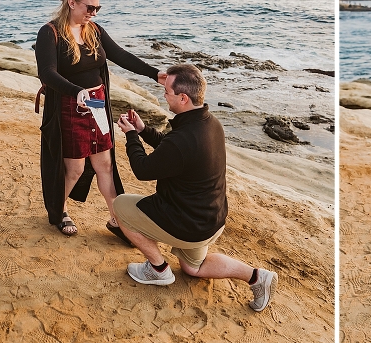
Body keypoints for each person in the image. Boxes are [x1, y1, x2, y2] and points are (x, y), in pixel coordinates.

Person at [113, 64, 278, 312]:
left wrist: (131, 137)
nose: (163, 95)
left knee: (120, 206)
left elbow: (143, 169)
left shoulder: (184, 137)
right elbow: (172, 151)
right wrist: (143, 130)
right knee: (193, 268)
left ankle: (158, 269)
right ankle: (257, 277)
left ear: (183, 97)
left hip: (187, 222)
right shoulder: (210, 124)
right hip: (211, 219)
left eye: (167, 91)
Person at [35, 0, 166, 240]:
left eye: (98, 8)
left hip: (98, 105)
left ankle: (118, 220)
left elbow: (121, 55)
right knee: (75, 169)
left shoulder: (93, 30)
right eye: (90, 7)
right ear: (72, 3)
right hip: (70, 107)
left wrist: (155, 74)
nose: (93, 13)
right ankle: (59, 211)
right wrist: (75, 91)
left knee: (105, 165)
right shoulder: (49, 33)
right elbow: (46, 73)